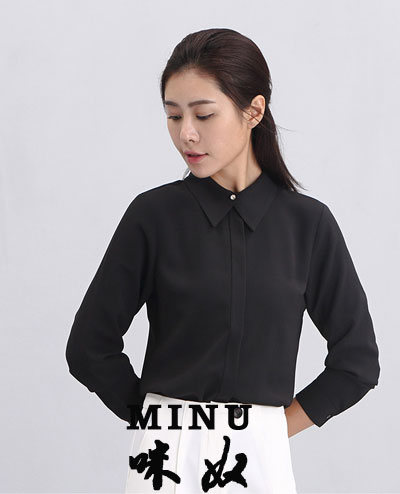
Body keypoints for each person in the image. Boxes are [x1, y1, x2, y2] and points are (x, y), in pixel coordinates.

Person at [65, 28, 380, 493]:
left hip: (259, 463)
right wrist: (157, 421)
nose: (186, 133)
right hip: (166, 459)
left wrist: (268, 432)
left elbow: (358, 362)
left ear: (254, 111)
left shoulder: (308, 224)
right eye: (173, 116)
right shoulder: (153, 216)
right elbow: (89, 347)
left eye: (204, 114)